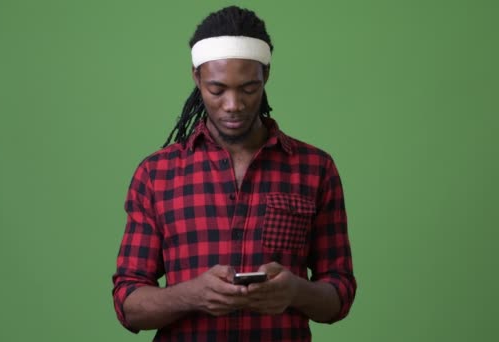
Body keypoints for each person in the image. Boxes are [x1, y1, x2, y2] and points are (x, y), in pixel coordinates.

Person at [112, 5, 356, 341]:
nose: (233, 104)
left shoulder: (315, 169)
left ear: (265, 76)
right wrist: (192, 295)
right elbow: (128, 304)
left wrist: (295, 292)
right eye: (217, 89)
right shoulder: (156, 175)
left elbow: (339, 295)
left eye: (248, 88)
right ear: (197, 78)